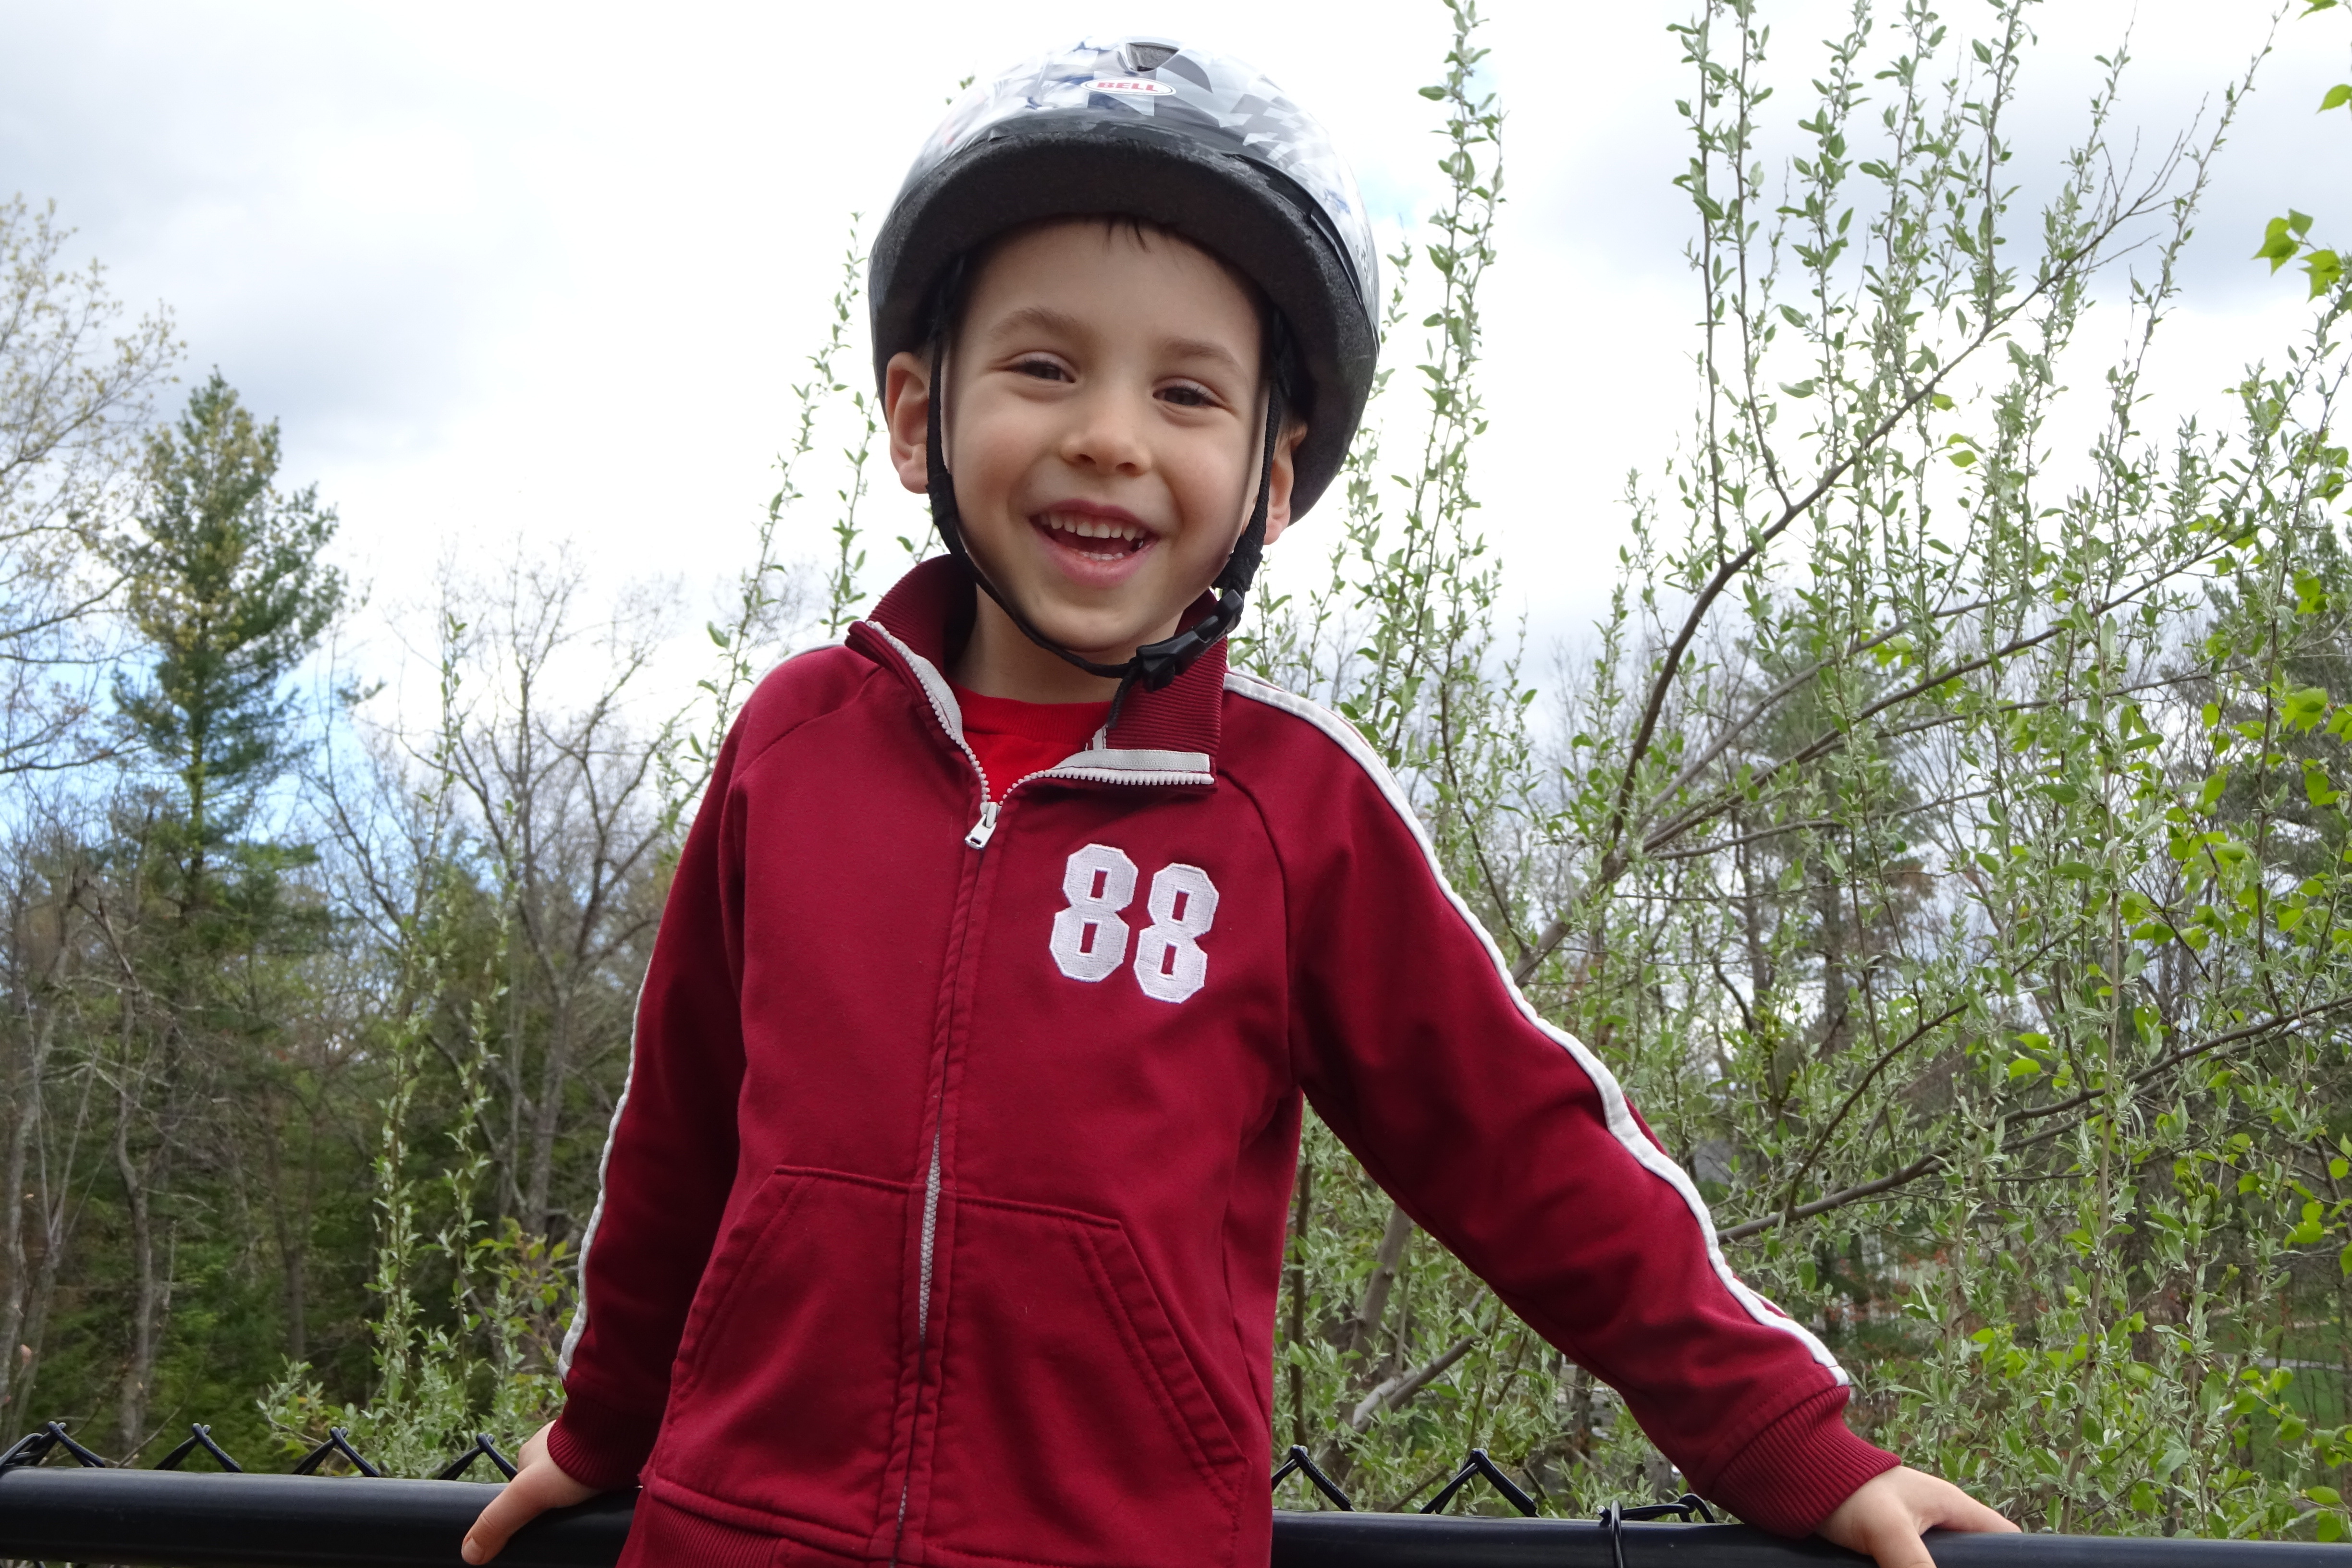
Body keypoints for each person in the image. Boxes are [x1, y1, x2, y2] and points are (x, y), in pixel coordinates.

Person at [463, 36, 2017, 1568]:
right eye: (1044, 366)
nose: (1110, 434)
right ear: (918, 412)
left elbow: (1525, 1147)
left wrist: (1788, 1439)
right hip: (733, 1537)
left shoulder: (1288, 810)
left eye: (1188, 392)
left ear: (1272, 477)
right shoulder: (796, 747)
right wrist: (602, 1431)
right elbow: (676, 1141)